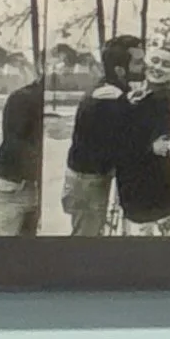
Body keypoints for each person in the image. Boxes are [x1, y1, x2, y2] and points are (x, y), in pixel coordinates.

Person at [62, 36, 139, 235]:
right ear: (120, 71)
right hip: (88, 182)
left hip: (91, 178)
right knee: (86, 241)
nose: (144, 67)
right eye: (138, 63)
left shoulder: (112, 90)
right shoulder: (108, 98)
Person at [113, 39, 170, 235]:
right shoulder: (143, 95)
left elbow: (145, 144)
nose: (158, 67)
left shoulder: (162, 100)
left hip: (149, 185)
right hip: (140, 181)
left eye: (166, 64)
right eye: (155, 60)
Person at [0, 68, 43, 236]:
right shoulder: (25, 99)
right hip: (16, 184)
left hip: (21, 184)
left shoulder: (23, 98)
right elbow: (16, 144)